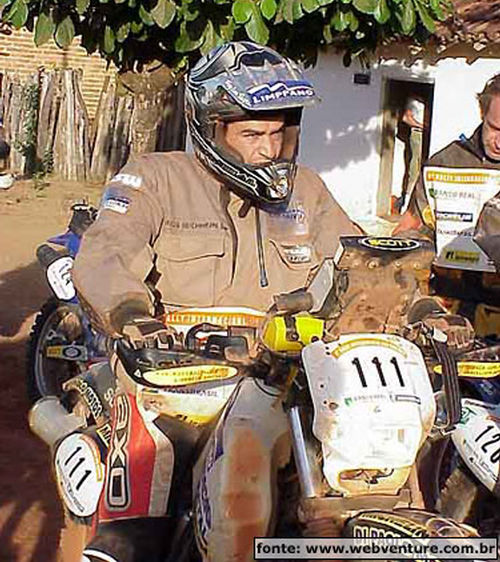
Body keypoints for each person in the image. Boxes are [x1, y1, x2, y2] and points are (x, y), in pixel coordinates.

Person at [71, 41, 361, 562]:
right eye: (252, 134)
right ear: (211, 129)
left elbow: (354, 260)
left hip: (282, 376)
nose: (268, 149)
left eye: (279, 132)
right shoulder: (155, 178)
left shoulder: (308, 191)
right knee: (140, 523)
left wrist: (410, 302)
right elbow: (104, 256)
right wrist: (133, 318)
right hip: (179, 374)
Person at [394, 73, 500, 324]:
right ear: (482, 113)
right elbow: (408, 233)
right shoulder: (445, 164)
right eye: (496, 128)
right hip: (448, 312)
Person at [395, 96, 425, 212]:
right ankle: (406, 204)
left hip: (423, 134)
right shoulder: (413, 101)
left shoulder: (422, 101)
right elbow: (406, 118)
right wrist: (421, 126)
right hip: (417, 133)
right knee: (414, 169)